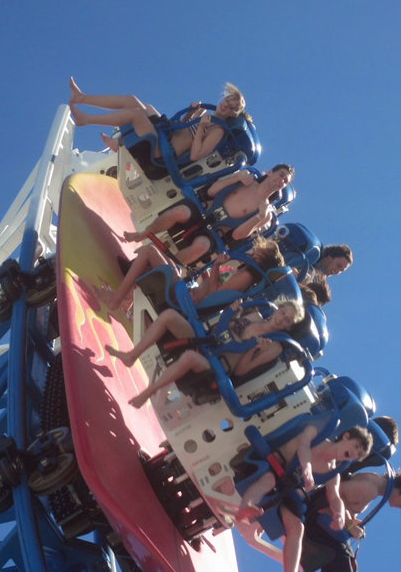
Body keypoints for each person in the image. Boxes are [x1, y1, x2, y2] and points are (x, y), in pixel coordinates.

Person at [235, 426, 373, 572]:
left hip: (286, 491)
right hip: (273, 465)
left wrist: (339, 514)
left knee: (297, 528)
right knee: (267, 481)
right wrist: (306, 466)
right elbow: (303, 445)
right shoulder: (318, 433)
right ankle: (246, 506)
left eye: (357, 454)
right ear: (345, 436)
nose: (353, 452)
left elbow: (335, 496)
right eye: (355, 446)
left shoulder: (332, 472)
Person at [105, 297, 304, 408]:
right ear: (278, 309)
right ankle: (131, 355)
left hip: (216, 366)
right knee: (169, 316)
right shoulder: (255, 315)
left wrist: (253, 349)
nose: (282, 319)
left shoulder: (273, 346)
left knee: (190, 357)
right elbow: (224, 328)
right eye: (283, 313)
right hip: (208, 342)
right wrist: (233, 313)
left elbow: (242, 372)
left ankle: (146, 394)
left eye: (288, 321)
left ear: (288, 327)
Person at [123, 164, 295, 265]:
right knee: (179, 211)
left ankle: (158, 266)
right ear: (271, 172)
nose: (281, 181)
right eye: (281, 175)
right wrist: (236, 178)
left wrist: (259, 217)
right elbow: (212, 191)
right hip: (203, 210)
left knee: (202, 247)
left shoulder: (265, 214)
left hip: (214, 231)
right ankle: (142, 234)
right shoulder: (246, 179)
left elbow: (237, 234)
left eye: (285, 181)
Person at [69, 77, 247, 161]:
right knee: (134, 100)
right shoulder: (205, 114)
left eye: (232, 107)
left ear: (232, 114)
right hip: (165, 135)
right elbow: (183, 128)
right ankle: (82, 98)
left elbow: (195, 155)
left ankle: (86, 120)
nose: (226, 105)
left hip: (163, 152)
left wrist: (201, 128)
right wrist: (192, 113)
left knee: (135, 113)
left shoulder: (218, 130)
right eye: (227, 100)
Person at [95, 236, 285, 311]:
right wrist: (206, 274)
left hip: (186, 301)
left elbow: (214, 295)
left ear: (263, 261)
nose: (255, 252)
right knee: (169, 263)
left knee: (150, 252)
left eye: (260, 253)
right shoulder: (244, 273)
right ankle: (127, 299)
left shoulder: (246, 277)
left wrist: (217, 266)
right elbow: (213, 288)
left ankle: (116, 299)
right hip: (188, 293)